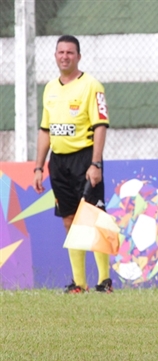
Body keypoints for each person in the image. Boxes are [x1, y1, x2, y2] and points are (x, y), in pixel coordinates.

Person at [32, 35, 113, 294]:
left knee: (94, 218)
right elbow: (45, 130)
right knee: (69, 219)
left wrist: (96, 163)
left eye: (70, 52)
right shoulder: (49, 89)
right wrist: (38, 167)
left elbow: (101, 125)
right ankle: (79, 283)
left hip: (84, 158)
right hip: (58, 162)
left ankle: (104, 281)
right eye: (60, 52)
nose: (64, 56)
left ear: (78, 56)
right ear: (55, 56)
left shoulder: (92, 86)